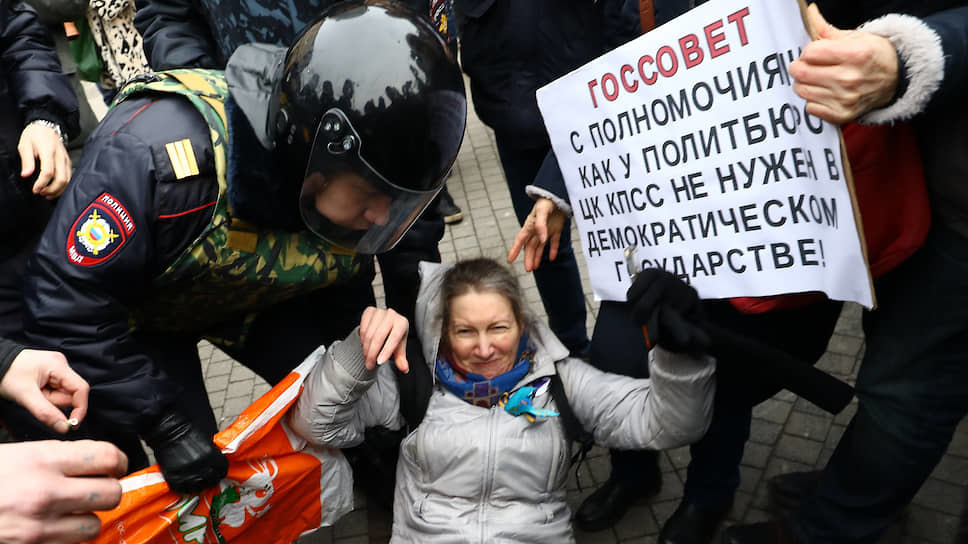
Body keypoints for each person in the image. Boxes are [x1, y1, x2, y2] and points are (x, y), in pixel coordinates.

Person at [16, 1, 466, 496]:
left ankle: (381, 482)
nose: (381, 218)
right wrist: (161, 420)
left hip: (257, 299)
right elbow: (63, 303)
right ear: (314, 147)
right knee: (199, 470)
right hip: (141, 321)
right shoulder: (153, 160)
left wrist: (399, 337)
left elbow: (346, 283)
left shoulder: (351, 175)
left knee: (357, 398)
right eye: (372, 198)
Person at [722, 3, 968, 543]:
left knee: (909, 388)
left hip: (955, 200)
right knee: (892, 358)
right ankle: (865, 485)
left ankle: (835, 526)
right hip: (908, 169)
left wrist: (913, 55)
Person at [287, 257, 716, 542]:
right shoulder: (412, 383)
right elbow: (314, 423)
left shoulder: (560, 383)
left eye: (498, 328)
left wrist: (680, 359)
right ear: (442, 333)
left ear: (522, 324)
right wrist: (358, 351)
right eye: (465, 331)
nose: (485, 348)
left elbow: (671, 423)